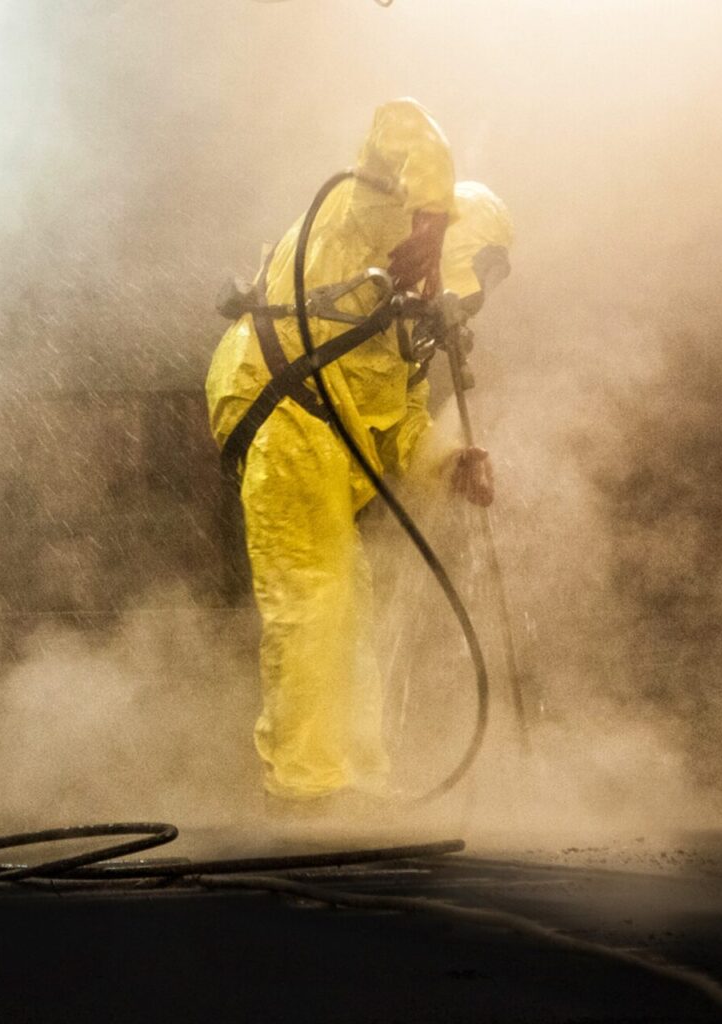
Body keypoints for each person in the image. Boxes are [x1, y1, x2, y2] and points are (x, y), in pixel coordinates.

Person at [205, 99, 514, 809]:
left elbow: (399, 426)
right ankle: (307, 792)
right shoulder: (373, 214)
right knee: (314, 598)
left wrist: (451, 461)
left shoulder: (407, 330)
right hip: (280, 402)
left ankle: (356, 779)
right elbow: (400, 121)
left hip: (316, 436)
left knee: (347, 607)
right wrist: (429, 217)